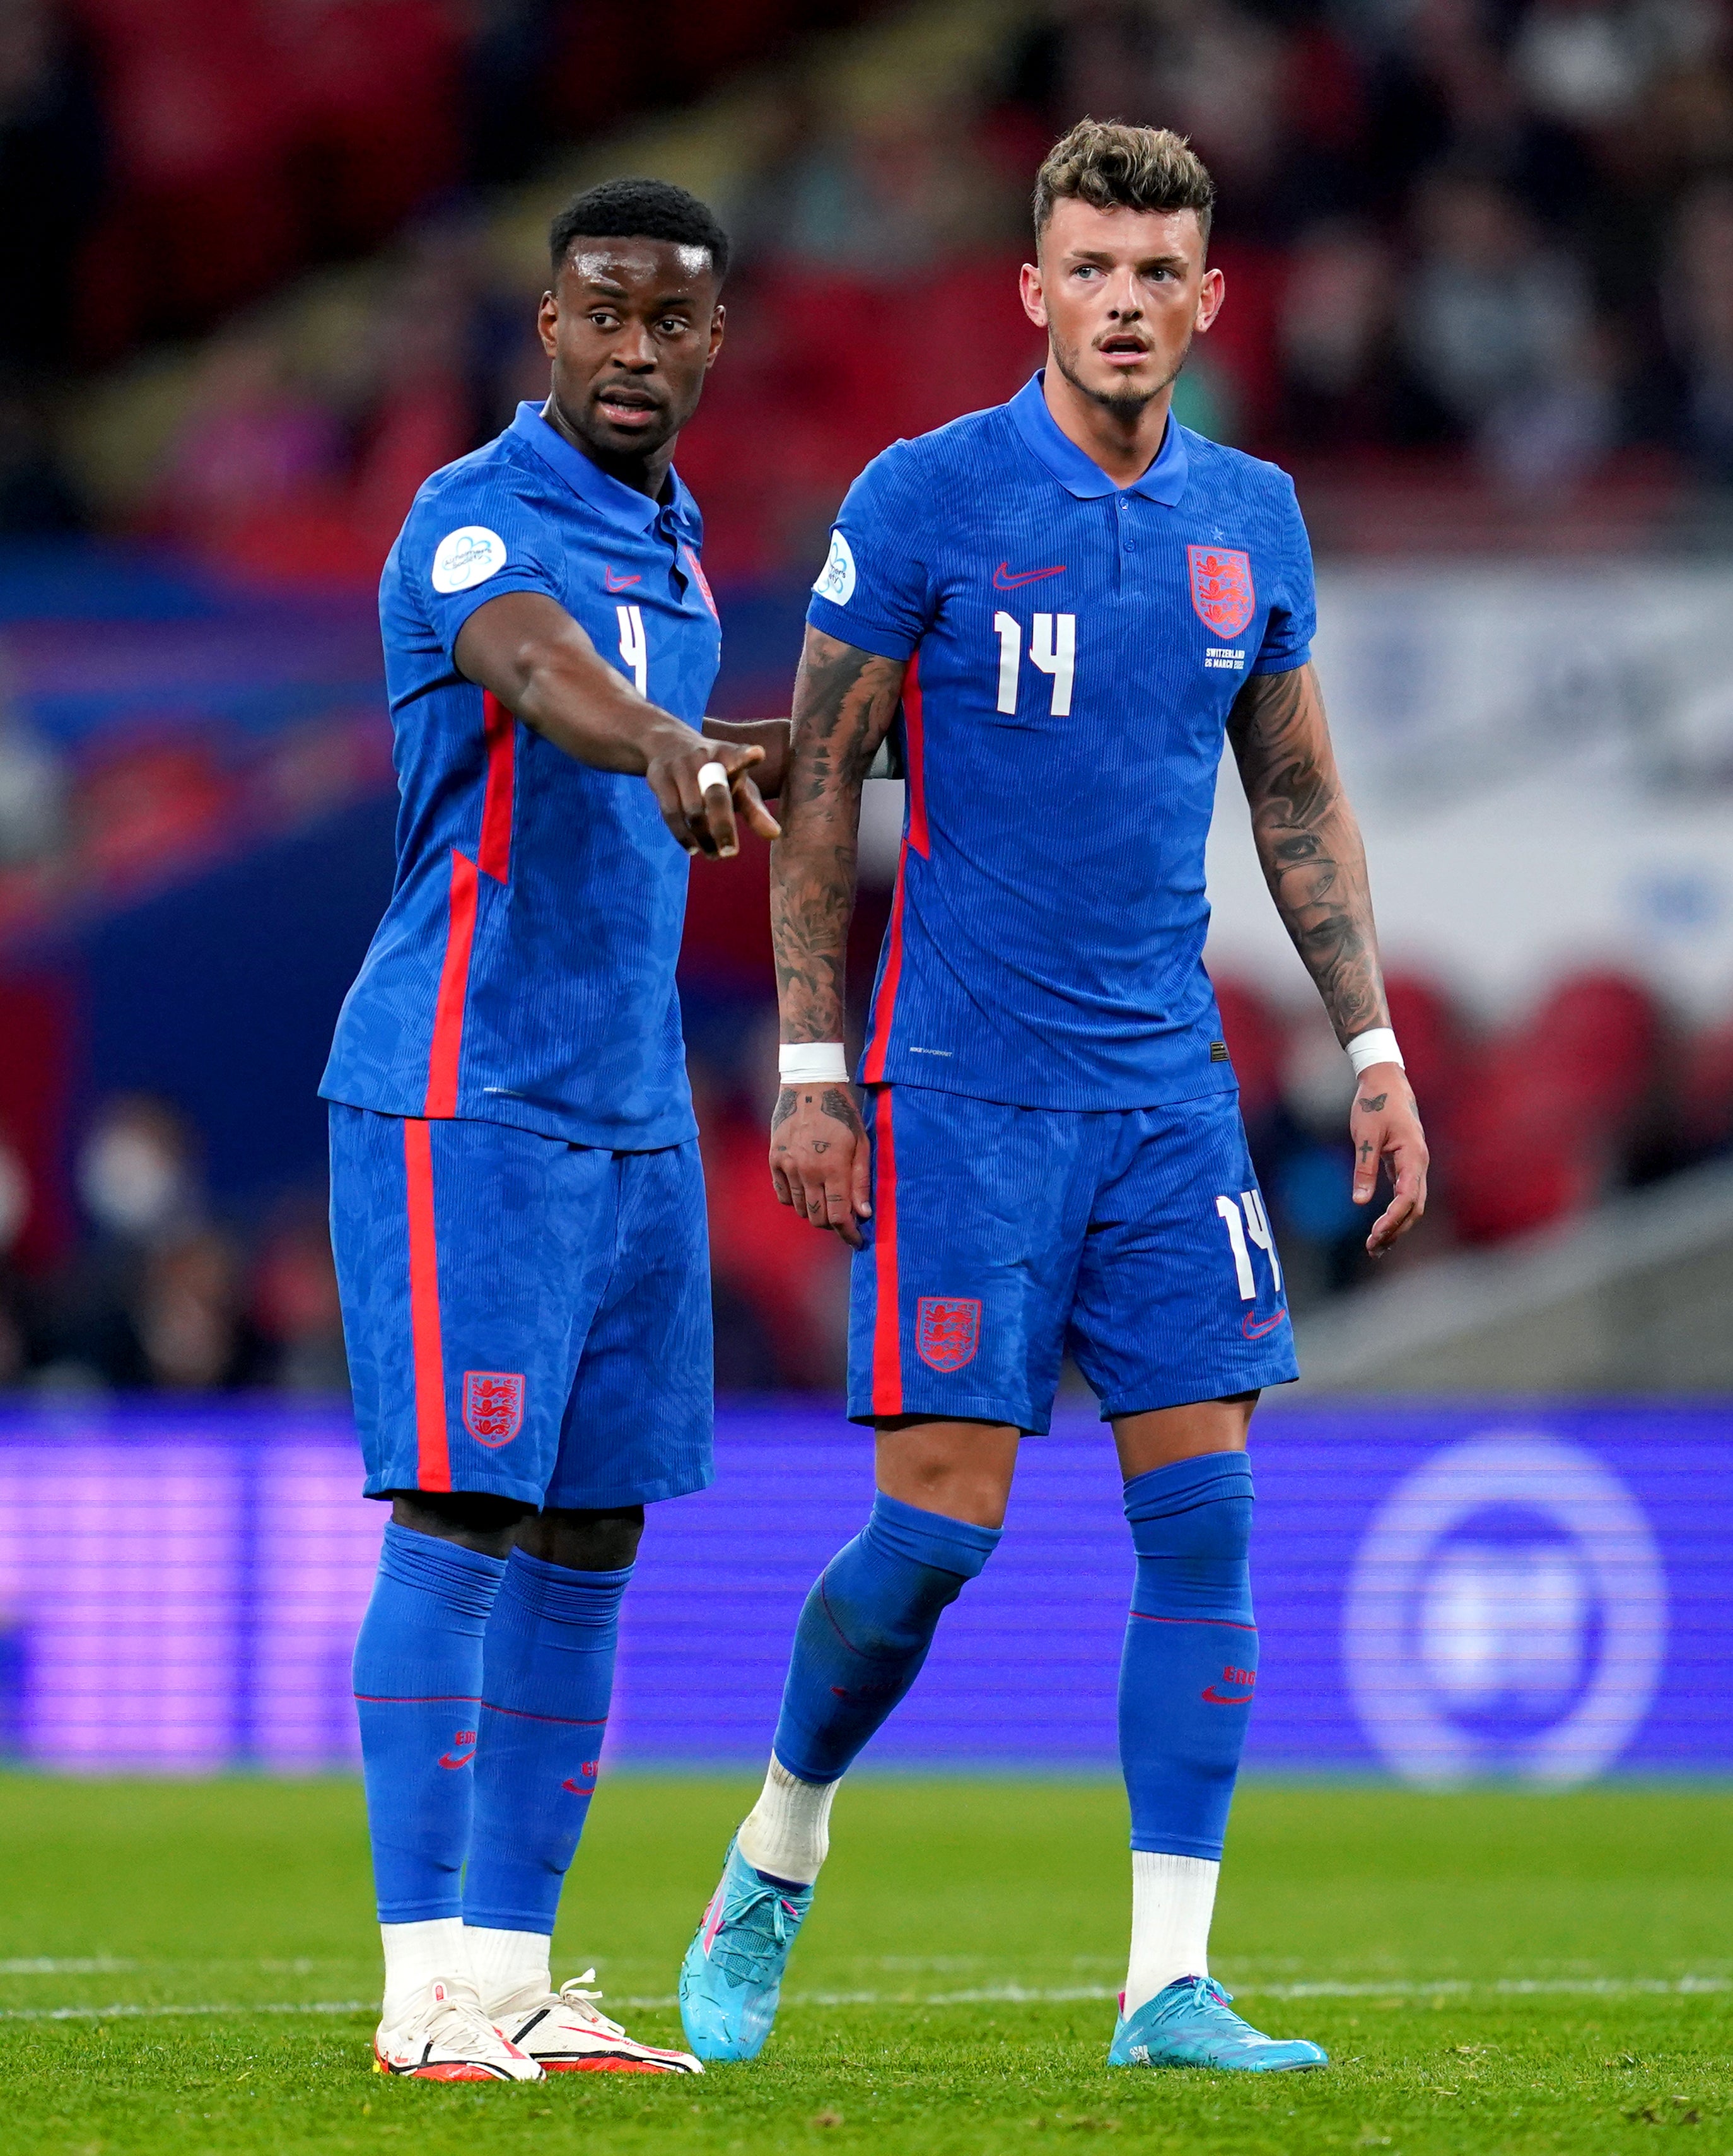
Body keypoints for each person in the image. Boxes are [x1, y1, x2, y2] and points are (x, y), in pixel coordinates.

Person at [679, 119, 1428, 2073]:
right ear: (1031, 290)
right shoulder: (924, 498)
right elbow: (822, 786)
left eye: (1153, 272)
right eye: (1086, 269)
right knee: (936, 1534)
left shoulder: (1249, 516)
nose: (1120, 302)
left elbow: (1290, 798)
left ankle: (1162, 1981)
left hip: (1166, 1100)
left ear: (1206, 298)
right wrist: (815, 1065)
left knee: (1206, 1526)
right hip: (966, 1099)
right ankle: (776, 1840)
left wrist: (1368, 1048)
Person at [320, 177, 785, 2082]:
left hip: (629, 1113)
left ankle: (511, 1972)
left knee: (590, 1530)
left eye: (671, 320)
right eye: (603, 313)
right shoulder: (475, 513)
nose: (634, 350)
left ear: (710, 344)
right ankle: (420, 1983)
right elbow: (532, 667)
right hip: (463, 1090)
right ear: (546, 326)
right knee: (462, 1508)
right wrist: (667, 740)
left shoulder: (677, 540)